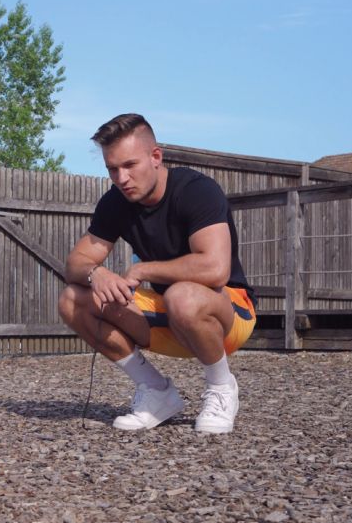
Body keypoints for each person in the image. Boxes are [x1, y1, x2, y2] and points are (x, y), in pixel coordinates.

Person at [59, 114, 256, 434]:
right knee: (72, 299)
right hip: (172, 317)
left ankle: (222, 388)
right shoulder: (115, 202)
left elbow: (216, 270)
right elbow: (75, 264)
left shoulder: (196, 190)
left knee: (182, 295)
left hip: (229, 316)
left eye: (129, 165)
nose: (121, 178)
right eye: (112, 169)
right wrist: (96, 274)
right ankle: (156, 392)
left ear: (155, 157)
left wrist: (143, 269)